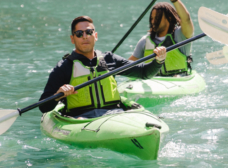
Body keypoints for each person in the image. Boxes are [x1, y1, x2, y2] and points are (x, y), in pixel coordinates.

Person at [39, 16, 167, 119]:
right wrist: (58, 94)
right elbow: (43, 106)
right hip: (81, 118)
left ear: (95, 36)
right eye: (79, 33)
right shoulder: (64, 67)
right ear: (72, 39)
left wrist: (159, 60)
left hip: (114, 114)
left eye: (89, 32)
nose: (85, 36)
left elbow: (144, 72)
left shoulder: (109, 59)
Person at [125, 0, 194, 77]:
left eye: (157, 18)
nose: (153, 21)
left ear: (169, 18)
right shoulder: (145, 41)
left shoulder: (181, 35)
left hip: (179, 80)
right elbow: (129, 65)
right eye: (152, 18)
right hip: (153, 82)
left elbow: (186, 19)